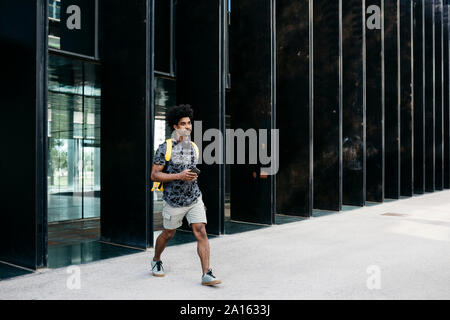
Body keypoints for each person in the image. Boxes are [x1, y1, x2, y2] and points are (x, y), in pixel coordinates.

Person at [150, 104, 221, 286]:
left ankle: (207, 273)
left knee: (201, 231)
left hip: (194, 198)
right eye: (183, 123)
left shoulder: (194, 147)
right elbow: (154, 175)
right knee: (168, 233)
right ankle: (156, 259)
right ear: (175, 126)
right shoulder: (164, 148)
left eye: (189, 123)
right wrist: (179, 176)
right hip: (173, 202)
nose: (188, 126)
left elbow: (189, 170)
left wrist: (191, 176)